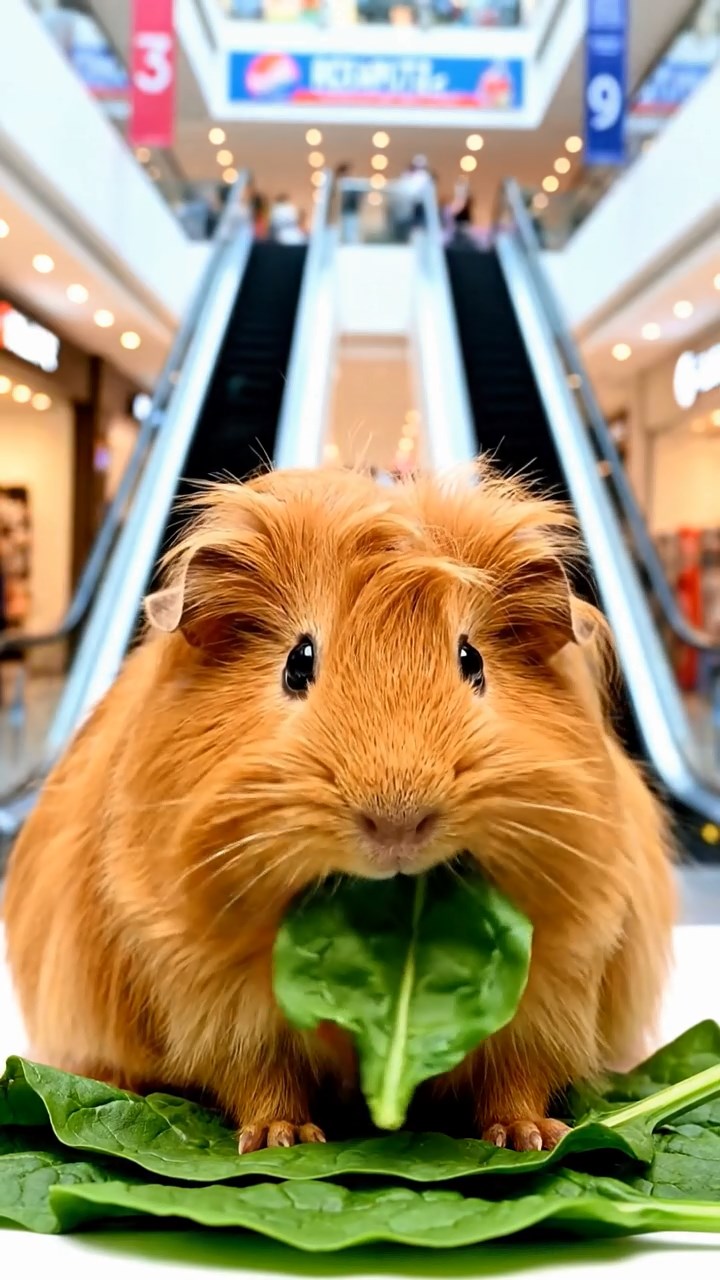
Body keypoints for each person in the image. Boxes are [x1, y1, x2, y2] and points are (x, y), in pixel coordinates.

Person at [391, 155, 432, 243]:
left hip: (418, 206)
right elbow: (404, 189)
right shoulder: (407, 175)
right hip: (406, 207)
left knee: (418, 229)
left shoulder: (424, 177)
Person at [335, 163, 362, 243]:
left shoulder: (352, 185)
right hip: (340, 215)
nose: (349, 174)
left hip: (351, 214)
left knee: (351, 234)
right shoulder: (338, 186)